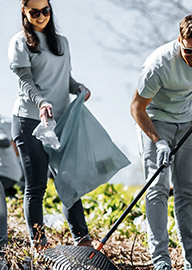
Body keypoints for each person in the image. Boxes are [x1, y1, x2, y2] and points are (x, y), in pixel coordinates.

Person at [131, 14, 192, 270]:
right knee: (158, 188)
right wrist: (158, 142)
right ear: (179, 40)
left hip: (186, 122)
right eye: (189, 50)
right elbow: (137, 108)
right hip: (155, 121)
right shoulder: (158, 65)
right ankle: (161, 260)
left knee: (186, 192)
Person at [8, 0, 92, 250]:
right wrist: (41, 101)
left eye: (46, 10)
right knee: (37, 185)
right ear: (24, 11)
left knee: (68, 182)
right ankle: (39, 244)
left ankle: (83, 240)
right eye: (35, 12)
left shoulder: (61, 42)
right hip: (29, 120)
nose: (42, 16)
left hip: (60, 122)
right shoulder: (19, 42)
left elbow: (64, 79)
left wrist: (78, 88)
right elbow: (25, 80)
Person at [0, 114, 22, 270]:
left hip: (6, 173)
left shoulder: (2, 124)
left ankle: (2, 253)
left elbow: (5, 140)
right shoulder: (7, 122)